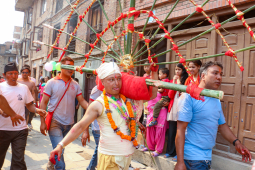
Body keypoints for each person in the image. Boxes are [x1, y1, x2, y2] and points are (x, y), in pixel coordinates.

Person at [48, 62, 158, 170]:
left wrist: (154, 72)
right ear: (102, 82)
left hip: (127, 157)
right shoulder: (98, 104)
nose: (116, 83)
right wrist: (61, 145)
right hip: (110, 159)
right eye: (111, 80)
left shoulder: (127, 100)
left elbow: (152, 94)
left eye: (118, 79)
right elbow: (80, 126)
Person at [175, 61, 251, 170]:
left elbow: (221, 125)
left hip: (206, 158)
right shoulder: (189, 96)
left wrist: (237, 143)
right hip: (191, 159)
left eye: (221, 74)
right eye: (215, 73)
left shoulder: (215, 100)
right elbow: (180, 129)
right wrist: (180, 162)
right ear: (203, 76)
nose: (219, 77)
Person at [40, 57, 89, 170]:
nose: (70, 68)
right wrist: (42, 122)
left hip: (69, 124)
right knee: (61, 163)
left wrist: (95, 108)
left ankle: (51, 161)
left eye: (72, 66)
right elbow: (44, 103)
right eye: (67, 65)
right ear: (61, 67)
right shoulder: (51, 83)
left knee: (60, 149)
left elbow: (81, 101)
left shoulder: (75, 84)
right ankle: (57, 165)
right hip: (54, 123)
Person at [0, 62, 47, 170]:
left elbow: (29, 105)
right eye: (10, 73)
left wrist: (37, 110)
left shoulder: (24, 88)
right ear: (4, 75)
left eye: (16, 73)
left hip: (20, 129)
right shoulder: (1, 87)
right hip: (2, 129)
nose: (14, 76)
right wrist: (3, 112)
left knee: (18, 161)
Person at [164, 63, 188, 159]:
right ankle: (170, 152)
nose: (177, 71)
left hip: (182, 107)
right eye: (176, 69)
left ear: (183, 70)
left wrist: (178, 83)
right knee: (172, 131)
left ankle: (179, 154)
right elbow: (170, 95)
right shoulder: (173, 80)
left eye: (179, 69)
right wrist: (174, 81)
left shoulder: (186, 80)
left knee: (181, 132)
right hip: (173, 107)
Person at [81, 85, 102, 170]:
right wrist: (85, 131)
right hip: (98, 128)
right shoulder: (97, 89)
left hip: (109, 129)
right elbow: (88, 111)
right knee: (99, 151)